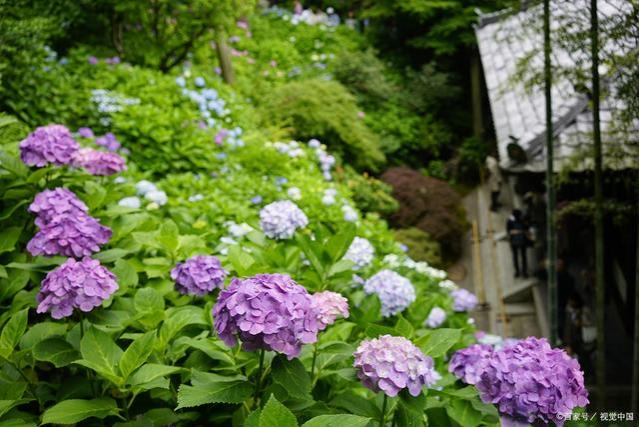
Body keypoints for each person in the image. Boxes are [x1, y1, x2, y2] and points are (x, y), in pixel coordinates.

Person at [506, 209, 528, 277]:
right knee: (523, 256)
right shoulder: (521, 220)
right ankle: (524, 272)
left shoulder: (510, 220)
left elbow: (508, 231)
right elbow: (526, 229)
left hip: (515, 241)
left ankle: (517, 272)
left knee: (516, 257)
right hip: (521, 241)